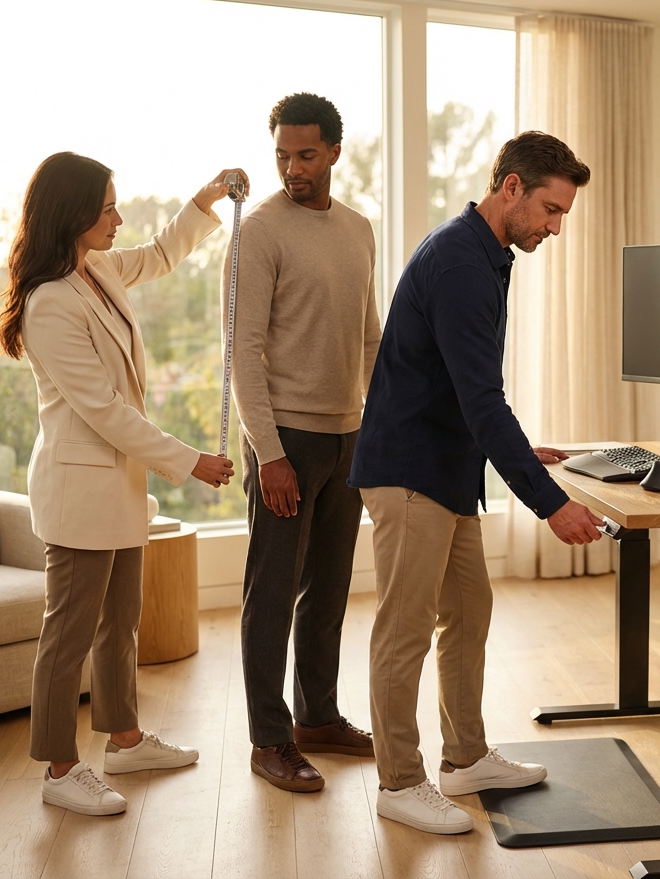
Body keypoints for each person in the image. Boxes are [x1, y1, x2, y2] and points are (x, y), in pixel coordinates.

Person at [348, 131, 605, 835]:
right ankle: (399, 782)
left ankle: (463, 759)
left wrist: (523, 449)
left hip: (445, 467)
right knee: (403, 631)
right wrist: (550, 505)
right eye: (551, 212)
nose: (555, 229)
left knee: (468, 610)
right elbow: (481, 401)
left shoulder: (486, 254)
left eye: (563, 217)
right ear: (512, 188)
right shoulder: (463, 264)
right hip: (409, 473)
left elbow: (471, 388)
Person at [0, 152, 242, 816]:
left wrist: (208, 197)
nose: (118, 217)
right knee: (69, 634)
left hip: (118, 489)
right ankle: (58, 768)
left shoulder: (97, 268)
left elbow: (162, 254)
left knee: (119, 623)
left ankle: (126, 741)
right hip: (80, 493)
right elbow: (104, 410)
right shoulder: (50, 304)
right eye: (107, 207)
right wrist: (188, 459)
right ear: (73, 213)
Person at [228, 92, 381, 794]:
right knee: (271, 595)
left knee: (328, 592)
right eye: (284, 155)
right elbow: (242, 350)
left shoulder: (358, 229)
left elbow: (370, 336)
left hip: (348, 437)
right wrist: (271, 453)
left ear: (334, 154)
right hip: (285, 439)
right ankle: (271, 739)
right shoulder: (260, 232)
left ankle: (318, 717)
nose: (293, 168)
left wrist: (380, 425)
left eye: (306, 155)